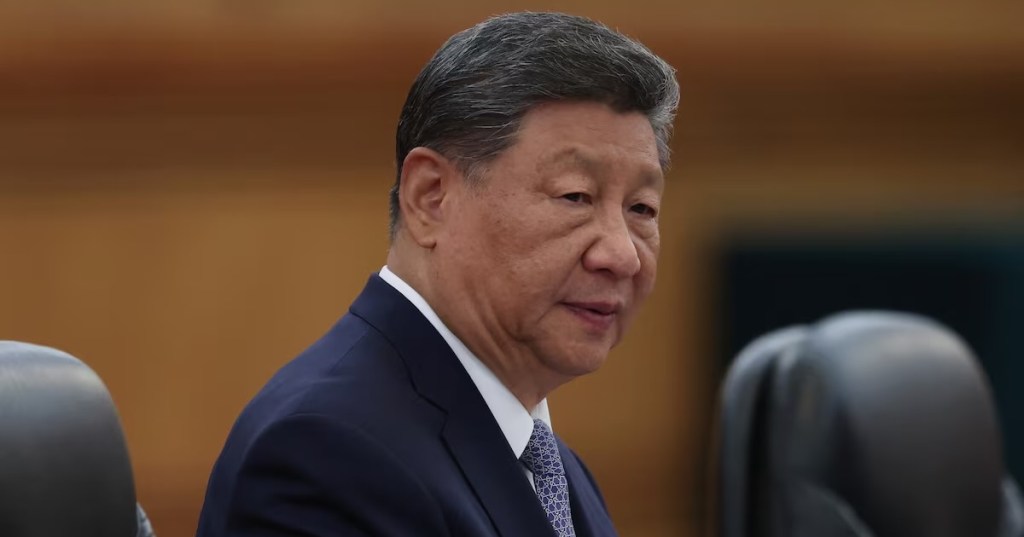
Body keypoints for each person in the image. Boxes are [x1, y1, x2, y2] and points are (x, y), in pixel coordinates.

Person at [196, 11, 678, 537]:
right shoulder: (328, 452)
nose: (622, 255)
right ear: (430, 198)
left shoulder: (552, 466)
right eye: (575, 196)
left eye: (642, 209)